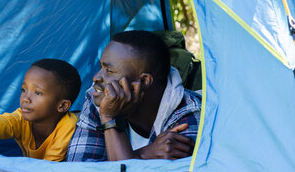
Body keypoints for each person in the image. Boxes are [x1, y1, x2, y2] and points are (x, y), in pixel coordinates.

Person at [66, 30, 201, 162]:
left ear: (143, 81)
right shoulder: (97, 97)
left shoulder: (188, 112)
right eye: (101, 67)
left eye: (109, 70)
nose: (96, 78)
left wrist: (110, 119)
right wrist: (142, 154)